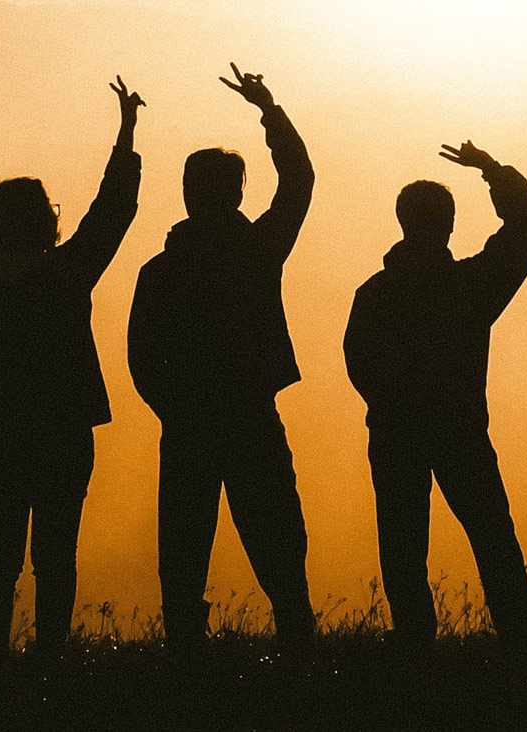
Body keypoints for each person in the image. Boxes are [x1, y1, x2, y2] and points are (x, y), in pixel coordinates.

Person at [0, 77, 145, 661]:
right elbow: (113, 211)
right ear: (43, 220)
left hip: (3, 424)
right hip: (63, 427)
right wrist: (127, 133)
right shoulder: (66, 272)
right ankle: (49, 661)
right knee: (56, 553)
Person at [126, 64, 316, 655]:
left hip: (189, 424)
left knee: (184, 546)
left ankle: (186, 654)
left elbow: (141, 357)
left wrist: (173, 407)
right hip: (248, 415)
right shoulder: (256, 250)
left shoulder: (162, 269)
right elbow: (300, 180)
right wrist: (269, 108)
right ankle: (298, 646)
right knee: (276, 539)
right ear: (237, 192)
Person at [343, 141, 527, 652]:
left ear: (402, 222)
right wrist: (492, 171)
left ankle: (414, 637)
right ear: (450, 224)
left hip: (394, 429)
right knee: (491, 531)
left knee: (401, 539)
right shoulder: (469, 286)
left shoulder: (374, 293)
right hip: (460, 428)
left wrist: (389, 403)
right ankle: (521, 630)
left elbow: (357, 362)